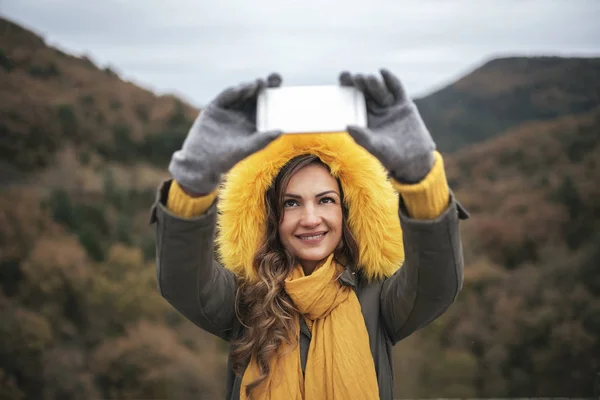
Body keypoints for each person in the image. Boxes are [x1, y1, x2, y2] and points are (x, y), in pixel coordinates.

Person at [150, 69, 469, 400]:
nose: (310, 218)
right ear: (271, 217)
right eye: (291, 203)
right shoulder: (243, 301)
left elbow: (436, 284)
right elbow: (182, 280)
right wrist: (193, 180)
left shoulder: (379, 298)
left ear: (348, 211)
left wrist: (421, 179)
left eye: (326, 200)